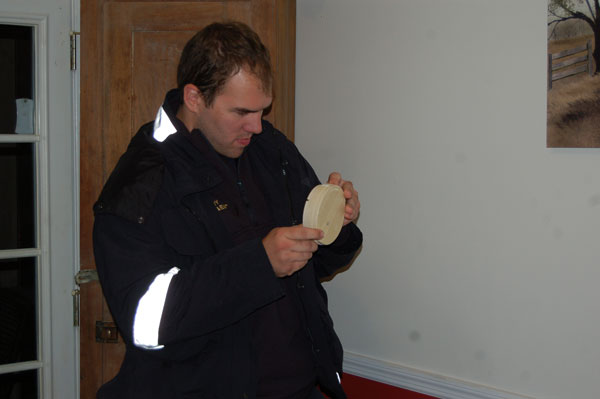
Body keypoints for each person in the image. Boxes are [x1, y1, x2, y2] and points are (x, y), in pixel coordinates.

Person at [92, 21, 362, 399]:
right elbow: (144, 323)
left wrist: (339, 224)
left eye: (262, 110)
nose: (257, 126)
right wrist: (260, 263)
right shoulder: (141, 181)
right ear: (194, 98)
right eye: (241, 112)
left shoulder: (272, 151)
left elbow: (320, 261)